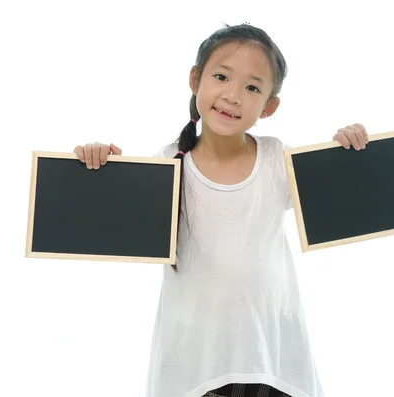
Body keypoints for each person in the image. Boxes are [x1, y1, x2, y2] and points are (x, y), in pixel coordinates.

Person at [74, 23, 368, 397]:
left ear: (269, 106)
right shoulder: (168, 164)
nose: (233, 96)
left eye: (252, 87)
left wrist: (349, 147)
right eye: (221, 76)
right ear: (196, 80)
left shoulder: (276, 158)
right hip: (195, 365)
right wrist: (100, 166)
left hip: (269, 357)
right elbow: (116, 222)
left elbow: (339, 197)